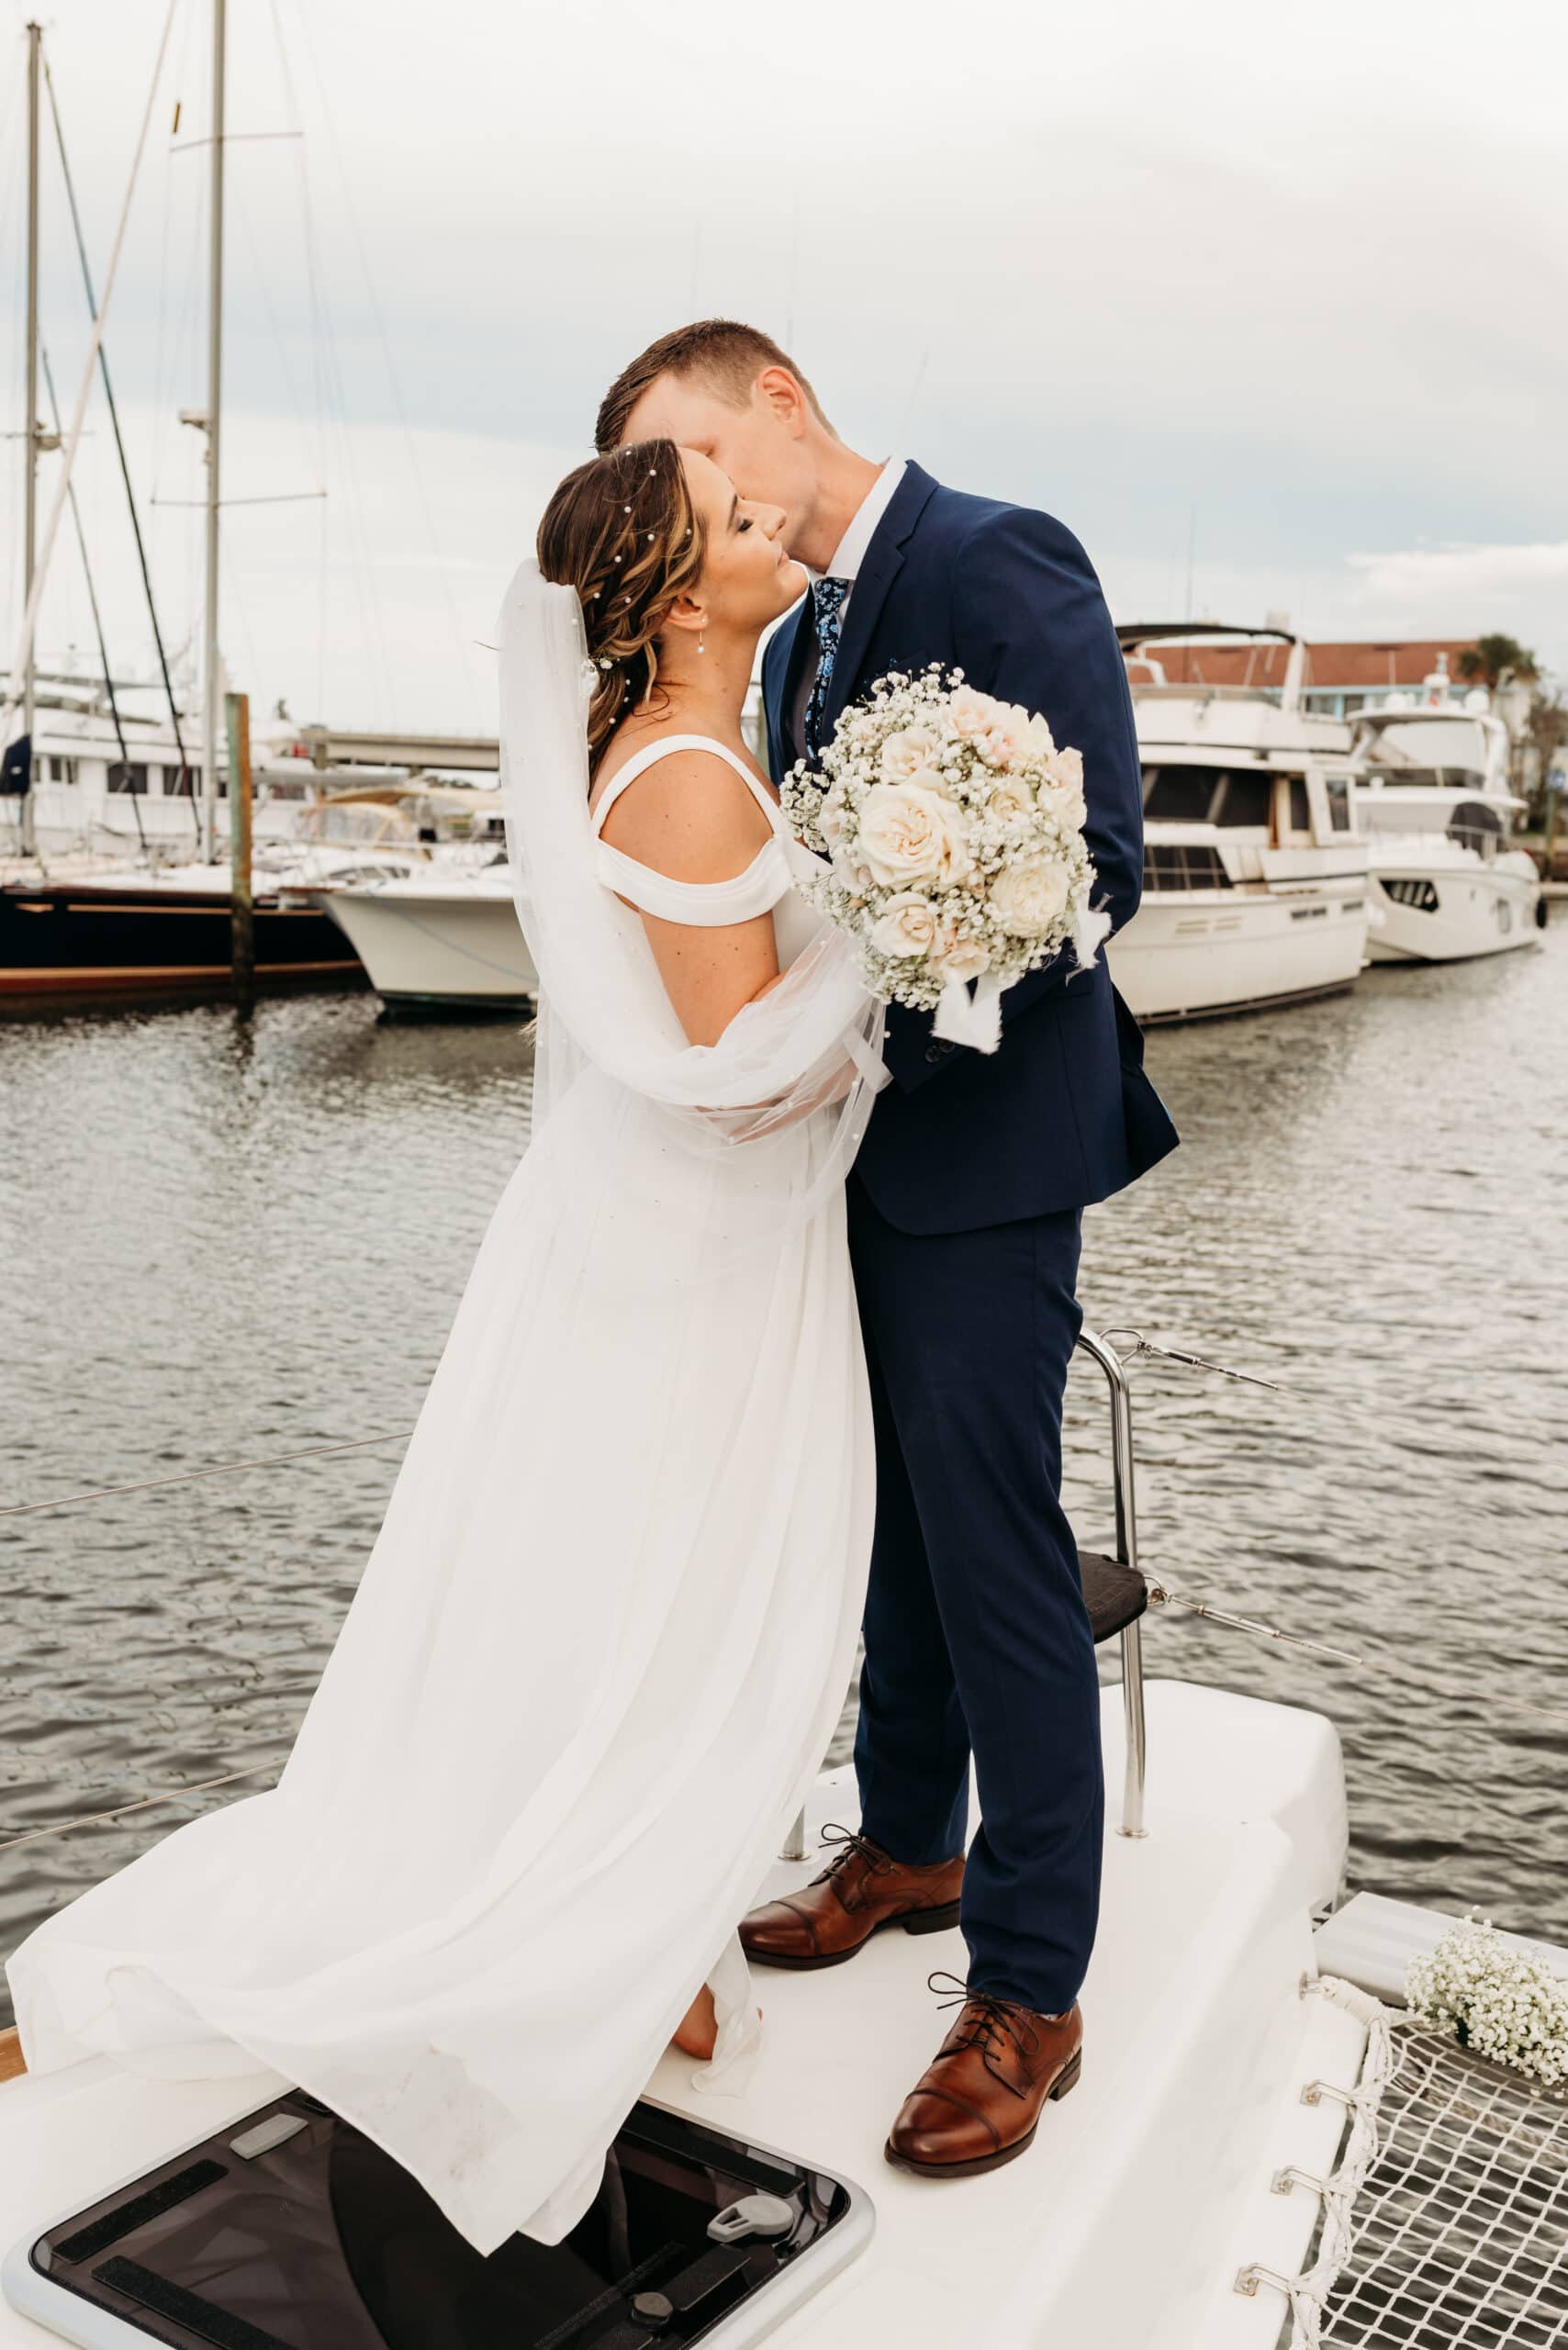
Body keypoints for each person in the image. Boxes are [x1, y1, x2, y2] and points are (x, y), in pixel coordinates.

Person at [6, 437, 886, 2255]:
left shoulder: (688, 754)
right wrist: (893, 955)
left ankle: (637, 1936)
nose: (771, 521)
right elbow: (730, 1081)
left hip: (651, 1253)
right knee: (675, 1586)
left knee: (623, 1587)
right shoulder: (691, 782)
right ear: (663, 600)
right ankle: (592, 1945)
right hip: (699, 1261)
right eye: (734, 520)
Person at [598, 322, 1179, 2178]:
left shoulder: (998, 554)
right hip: (840, 1152)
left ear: (776, 395)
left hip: (984, 1157)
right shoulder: (789, 627)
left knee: (994, 1548)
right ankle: (908, 1841)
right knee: (882, 1534)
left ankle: (1029, 1984)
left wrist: (918, 933)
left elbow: (1093, 856)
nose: (703, 502)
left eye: (694, 453)